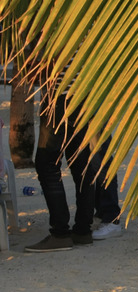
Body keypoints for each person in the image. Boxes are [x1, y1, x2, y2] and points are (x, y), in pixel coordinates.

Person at [26, 90, 99, 252]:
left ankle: (60, 233)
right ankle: (83, 230)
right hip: (82, 91)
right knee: (81, 162)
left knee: (47, 163)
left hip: (59, 93)